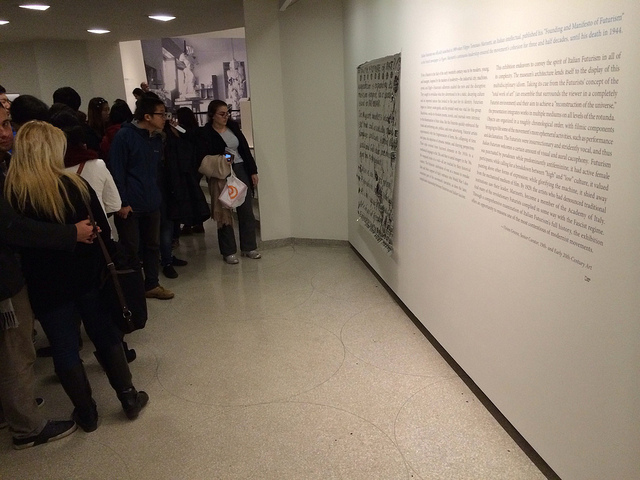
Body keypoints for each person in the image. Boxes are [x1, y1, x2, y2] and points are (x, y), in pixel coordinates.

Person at [4, 121, 149, 432]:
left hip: (45, 286)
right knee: (105, 334)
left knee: (64, 346)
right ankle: (128, 397)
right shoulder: (74, 186)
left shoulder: (13, 195)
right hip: (89, 278)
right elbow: (100, 230)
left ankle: (86, 412)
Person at [0, 105, 95, 449]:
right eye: (1, 123)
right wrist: (71, 234)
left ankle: (13, 408)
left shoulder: (11, 178)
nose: (6, 130)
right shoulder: (63, 185)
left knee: (32, 349)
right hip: (10, 283)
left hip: (31, 280)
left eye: (8, 123)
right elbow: (12, 228)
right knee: (17, 353)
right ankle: (26, 426)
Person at [108, 96, 174, 299]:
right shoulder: (124, 137)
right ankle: (134, 290)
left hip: (151, 202)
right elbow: (116, 171)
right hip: (130, 206)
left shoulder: (156, 138)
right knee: (131, 249)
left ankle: (152, 284)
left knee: (152, 245)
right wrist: (122, 202)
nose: (165, 118)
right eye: (161, 114)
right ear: (147, 116)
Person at [198, 100, 260, 264]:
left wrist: (253, 171)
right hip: (221, 174)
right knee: (225, 212)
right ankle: (228, 251)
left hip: (240, 170)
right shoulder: (206, 132)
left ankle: (249, 247)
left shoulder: (233, 127)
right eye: (222, 114)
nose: (226, 117)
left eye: (227, 113)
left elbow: (244, 150)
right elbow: (205, 153)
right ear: (212, 115)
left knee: (246, 209)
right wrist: (227, 158)